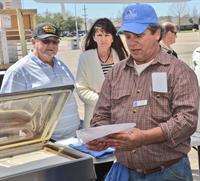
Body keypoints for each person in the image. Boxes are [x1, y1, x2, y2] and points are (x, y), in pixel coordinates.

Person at [87, 3, 199, 181]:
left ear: (156, 33)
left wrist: (145, 137)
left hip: (168, 173)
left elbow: (187, 121)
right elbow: (101, 115)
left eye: (139, 35)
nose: (132, 43)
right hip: (125, 172)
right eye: (128, 36)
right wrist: (100, 136)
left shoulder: (178, 71)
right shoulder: (115, 73)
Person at [0, 22, 80, 141]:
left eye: (55, 41)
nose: (51, 45)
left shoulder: (60, 65)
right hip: (45, 143)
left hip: (73, 138)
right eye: (46, 41)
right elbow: (8, 113)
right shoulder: (18, 71)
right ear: (33, 42)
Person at [76, 18, 128, 128]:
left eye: (107, 35)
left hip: (120, 117)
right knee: (96, 144)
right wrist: (102, 100)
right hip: (94, 116)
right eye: (99, 35)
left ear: (113, 38)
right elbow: (81, 89)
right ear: (94, 37)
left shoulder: (122, 57)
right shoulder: (85, 58)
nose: (103, 39)